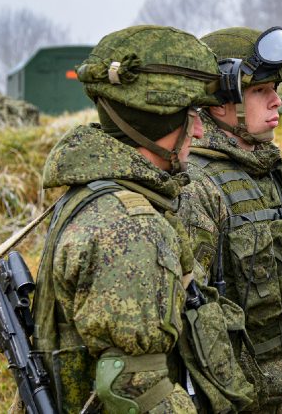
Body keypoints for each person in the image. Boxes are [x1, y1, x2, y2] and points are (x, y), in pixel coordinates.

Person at [32, 25, 226, 413]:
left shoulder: (96, 193)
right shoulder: (131, 227)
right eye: (191, 115)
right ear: (158, 122)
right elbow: (137, 389)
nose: (200, 130)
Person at [177, 26, 282, 414]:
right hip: (239, 398)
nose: (277, 100)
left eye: (274, 88)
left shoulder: (271, 171)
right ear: (219, 103)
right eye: (260, 90)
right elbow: (191, 312)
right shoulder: (198, 185)